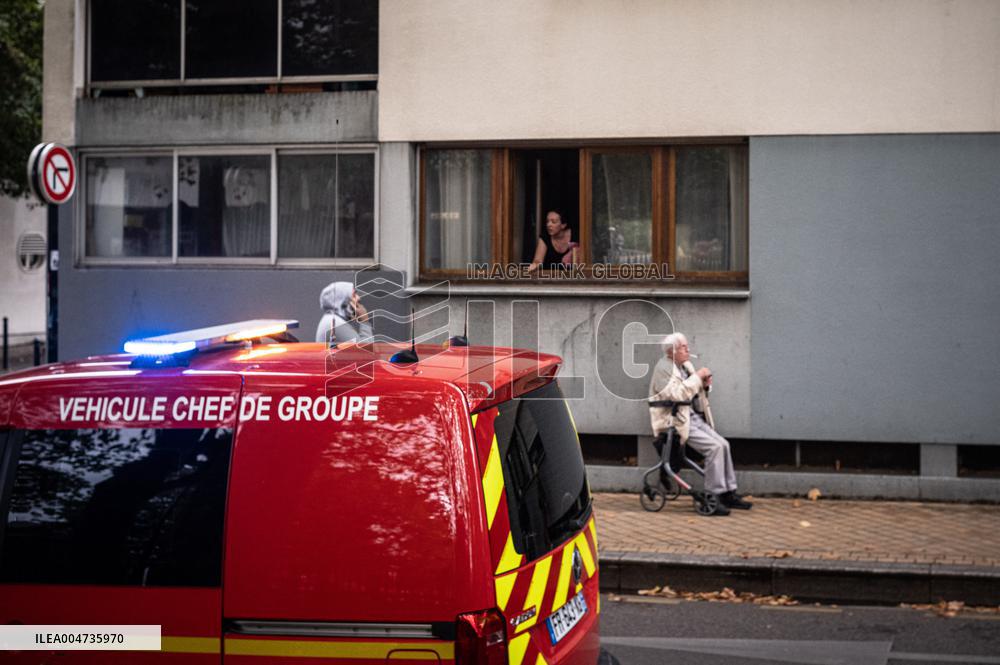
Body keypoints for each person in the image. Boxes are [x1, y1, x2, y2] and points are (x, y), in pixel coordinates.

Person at [648, 332, 752, 515]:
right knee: (714, 448)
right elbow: (677, 394)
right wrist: (697, 376)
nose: (688, 350)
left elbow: (693, 390)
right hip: (674, 421)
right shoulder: (663, 369)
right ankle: (714, 495)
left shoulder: (685, 365)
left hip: (690, 416)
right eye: (683, 347)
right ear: (672, 351)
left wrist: (704, 384)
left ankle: (728, 492)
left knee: (723, 445)